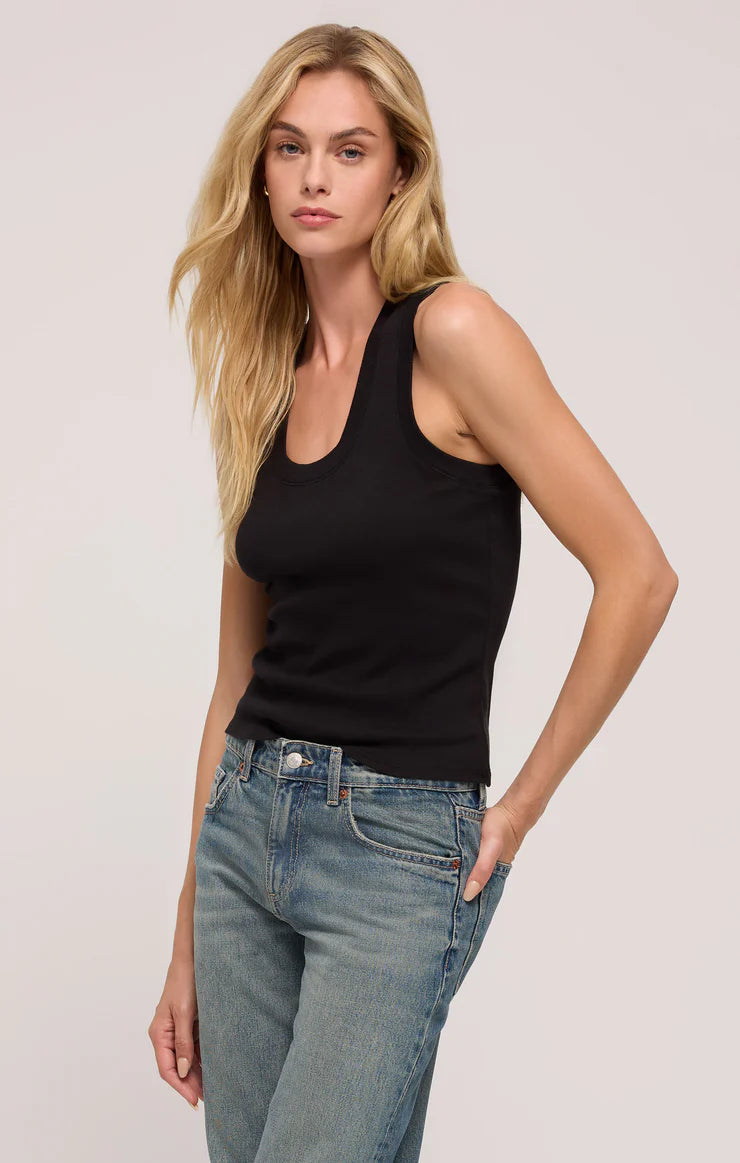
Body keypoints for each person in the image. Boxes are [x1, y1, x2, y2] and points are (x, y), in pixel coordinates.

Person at [148, 23, 678, 1162]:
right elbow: (234, 680)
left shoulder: (452, 332)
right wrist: (185, 931)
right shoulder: (265, 375)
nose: (315, 176)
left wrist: (517, 810)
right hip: (243, 829)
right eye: (289, 148)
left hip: (394, 847)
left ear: (400, 172)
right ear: (260, 170)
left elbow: (637, 574)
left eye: (349, 150)